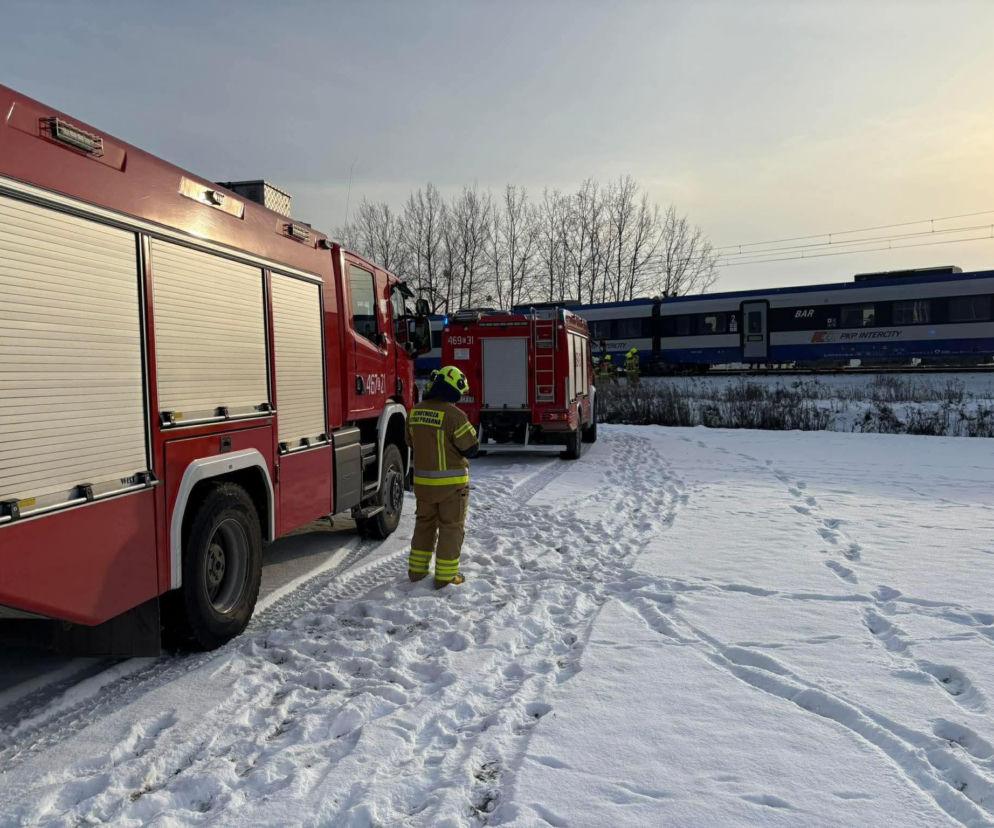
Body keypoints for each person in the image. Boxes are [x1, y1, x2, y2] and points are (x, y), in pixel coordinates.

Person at [406, 365, 479, 588]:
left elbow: (410, 442)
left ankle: (417, 573)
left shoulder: (416, 411)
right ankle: (446, 577)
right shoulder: (454, 415)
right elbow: (471, 448)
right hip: (452, 487)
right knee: (451, 528)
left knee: (424, 525)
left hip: (423, 486)